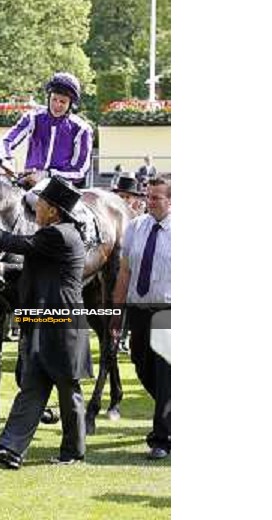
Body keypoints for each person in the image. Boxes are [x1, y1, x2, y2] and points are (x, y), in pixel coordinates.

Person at [0, 177, 92, 468]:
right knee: (33, 386)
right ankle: (10, 450)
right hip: (43, 322)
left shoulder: (58, 234)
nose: (36, 209)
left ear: (55, 210)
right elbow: (30, 270)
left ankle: (73, 451)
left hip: (61, 324)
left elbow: (12, 242)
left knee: (67, 387)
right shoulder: (53, 235)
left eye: (42, 204)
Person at [111, 176, 171, 460]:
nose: (150, 201)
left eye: (157, 197)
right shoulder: (135, 227)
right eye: (149, 196)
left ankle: (162, 438)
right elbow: (125, 271)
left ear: (172, 200)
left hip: (169, 311)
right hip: (138, 310)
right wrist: (116, 312)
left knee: (165, 372)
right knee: (141, 365)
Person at [0, 72, 93, 188]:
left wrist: (46, 175)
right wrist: (5, 160)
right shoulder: (33, 118)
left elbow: (80, 171)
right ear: (48, 97)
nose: (57, 105)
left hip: (62, 188)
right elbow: (4, 141)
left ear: (70, 104)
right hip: (29, 182)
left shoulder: (82, 129)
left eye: (63, 102)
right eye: (54, 99)